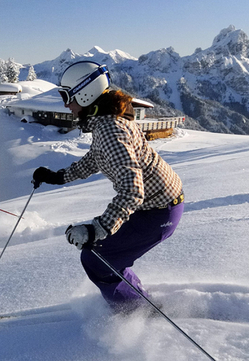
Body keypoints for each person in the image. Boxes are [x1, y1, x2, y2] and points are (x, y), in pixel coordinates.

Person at [32, 61, 184, 311]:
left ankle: (136, 313)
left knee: (97, 257)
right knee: (102, 256)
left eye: (66, 96)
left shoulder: (111, 129)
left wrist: (97, 229)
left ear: (84, 94)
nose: (66, 104)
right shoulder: (106, 122)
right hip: (156, 206)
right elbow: (95, 159)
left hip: (158, 212)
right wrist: (58, 177)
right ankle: (134, 301)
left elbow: (133, 191)